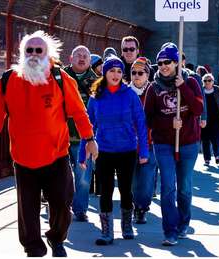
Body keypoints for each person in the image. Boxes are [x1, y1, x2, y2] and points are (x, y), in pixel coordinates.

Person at [0, 31, 98, 257]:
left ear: (47, 54)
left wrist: (89, 139)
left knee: (62, 203)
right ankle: (33, 249)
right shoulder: (9, 79)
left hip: (57, 155)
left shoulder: (61, 79)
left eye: (38, 50)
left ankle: (56, 238)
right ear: (22, 54)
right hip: (23, 158)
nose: (33, 54)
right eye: (28, 50)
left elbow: (79, 112)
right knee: (27, 211)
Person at [78, 54, 148, 245]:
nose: (116, 74)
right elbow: (88, 128)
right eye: (111, 71)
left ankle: (126, 226)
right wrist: (83, 155)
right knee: (106, 191)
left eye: (119, 71)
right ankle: (106, 232)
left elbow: (141, 124)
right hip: (104, 151)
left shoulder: (130, 95)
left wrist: (144, 152)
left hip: (127, 150)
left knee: (126, 190)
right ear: (105, 73)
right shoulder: (96, 97)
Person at [144, 43, 204, 246]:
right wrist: (169, 123)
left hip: (188, 143)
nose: (163, 66)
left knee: (184, 188)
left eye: (167, 62)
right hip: (163, 144)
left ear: (176, 62)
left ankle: (183, 224)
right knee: (168, 187)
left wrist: (182, 87)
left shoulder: (192, 81)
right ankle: (169, 230)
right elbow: (148, 118)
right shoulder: (154, 87)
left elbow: (197, 109)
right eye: (159, 63)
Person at [63, 45, 99, 222]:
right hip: (60, 136)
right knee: (61, 176)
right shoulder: (59, 77)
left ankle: (80, 209)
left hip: (84, 138)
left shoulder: (96, 81)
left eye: (85, 55)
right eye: (78, 55)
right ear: (71, 58)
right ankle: (62, 206)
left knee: (83, 177)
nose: (82, 58)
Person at [128, 57, 157, 224]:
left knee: (146, 179)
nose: (137, 76)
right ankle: (133, 205)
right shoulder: (124, 92)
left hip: (150, 143)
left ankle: (142, 208)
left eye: (141, 73)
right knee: (133, 181)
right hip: (129, 145)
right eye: (133, 72)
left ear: (148, 74)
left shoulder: (154, 91)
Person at [201, 74, 219, 165]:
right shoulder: (200, 91)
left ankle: (217, 155)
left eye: (209, 80)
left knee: (215, 138)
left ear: (213, 81)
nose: (207, 82)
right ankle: (207, 159)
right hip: (204, 119)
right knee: (205, 140)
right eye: (205, 81)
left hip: (216, 119)